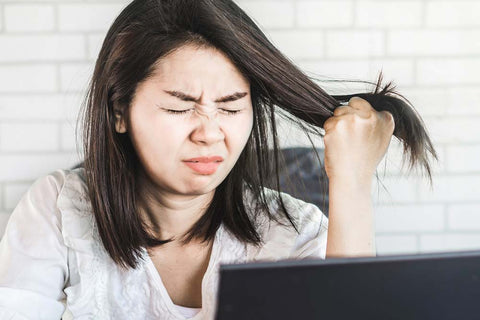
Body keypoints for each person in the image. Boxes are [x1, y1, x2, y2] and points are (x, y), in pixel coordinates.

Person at [0, 0, 437, 319]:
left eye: (230, 107)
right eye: (178, 107)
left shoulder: (293, 233)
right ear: (119, 112)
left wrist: (353, 181)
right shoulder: (58, 211)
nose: (209, 133)